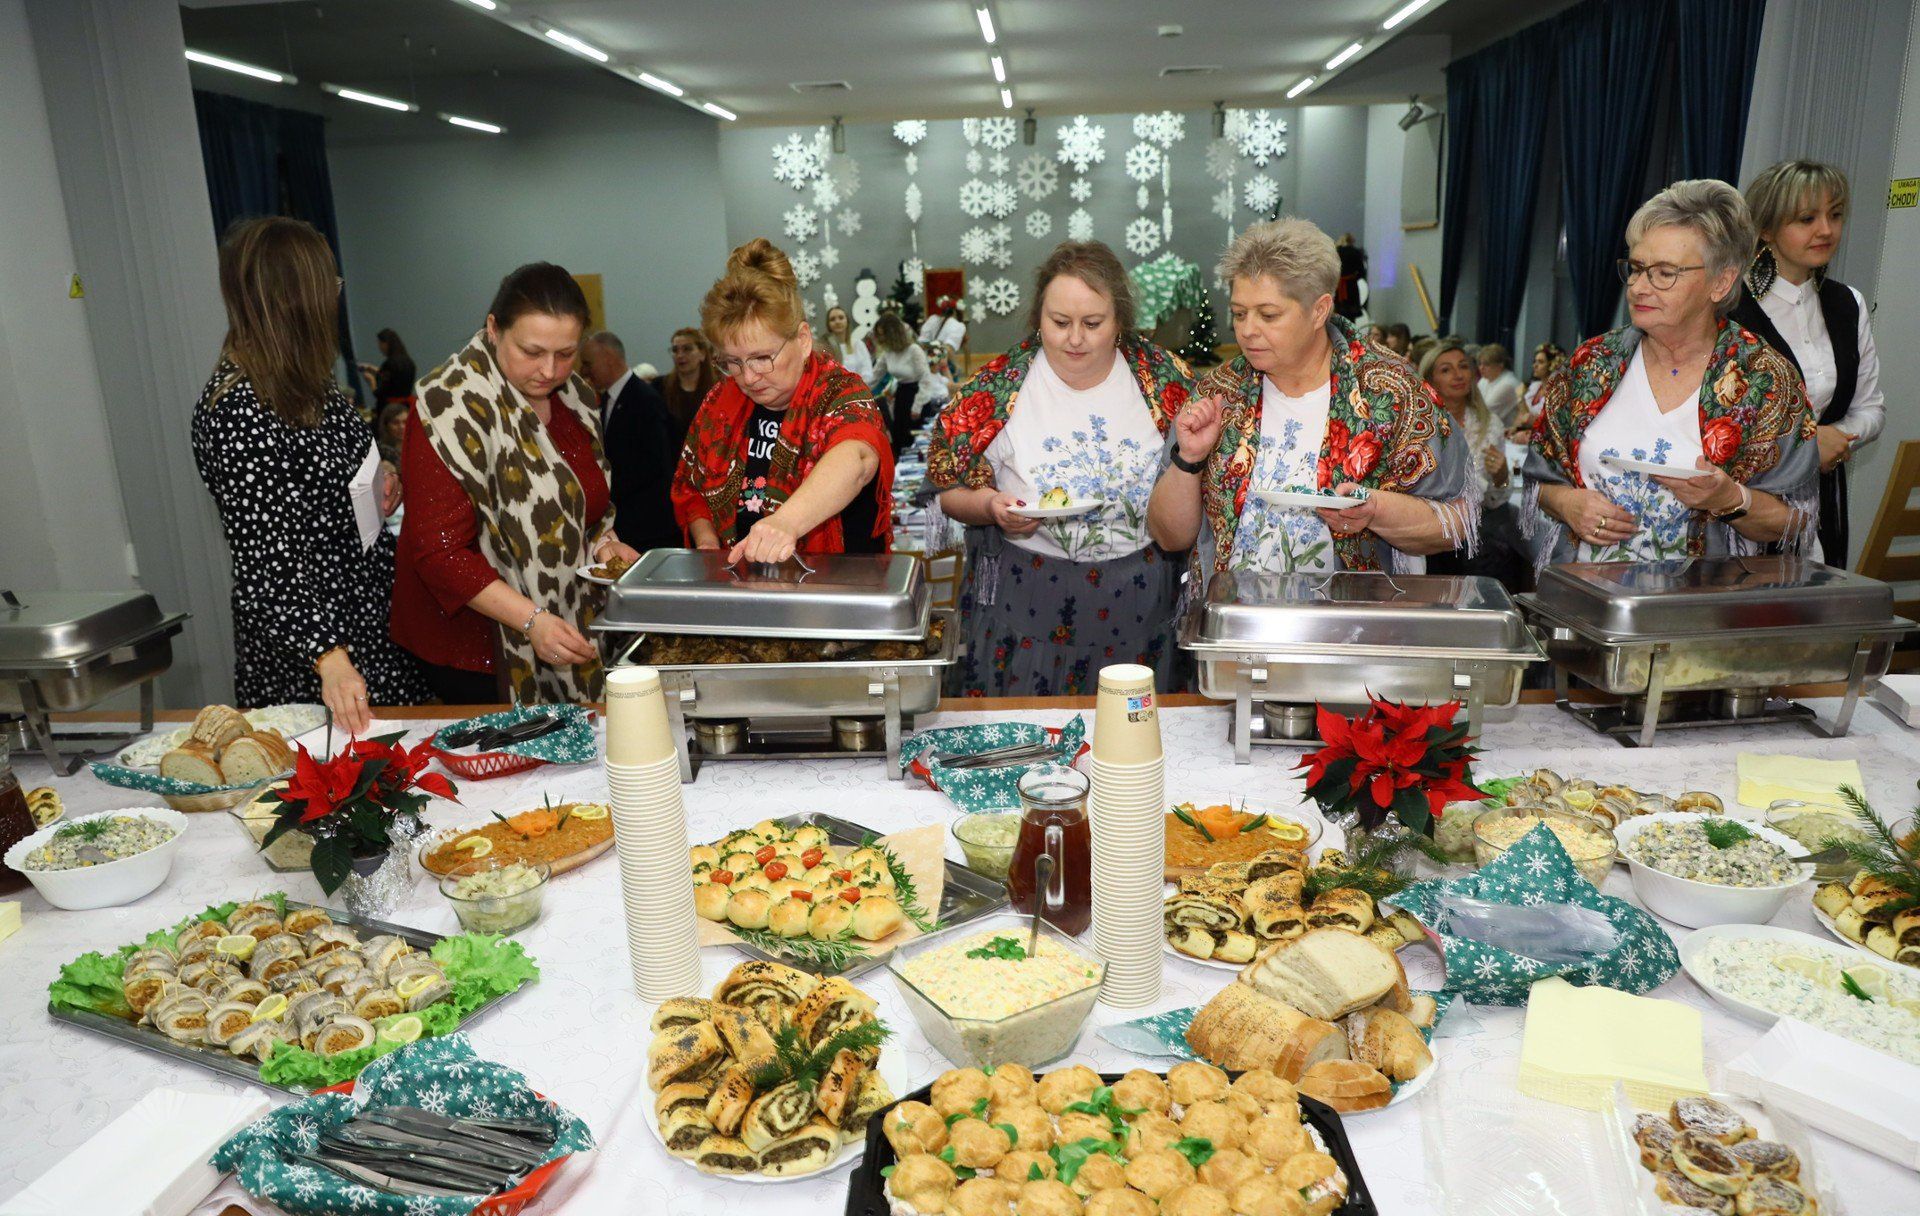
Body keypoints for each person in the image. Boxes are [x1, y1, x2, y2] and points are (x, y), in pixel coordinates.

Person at [930, 240, 1194, 696]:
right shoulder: (997, 389)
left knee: (1127, 747)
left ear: (1120, 322)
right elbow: (949, 491)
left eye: (1093, 323)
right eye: (1059, 323)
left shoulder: (1165, 382)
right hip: (1028, 600)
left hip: (1138, 604)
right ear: (1038, 319)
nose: (1075, 338)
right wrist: (991, 506)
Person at [191, 217, 425, 731]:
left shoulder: (306, 384)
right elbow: (266, 564)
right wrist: (331, 660)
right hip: (315, 655)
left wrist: (380, 471)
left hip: (367, 622)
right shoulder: (240, 412)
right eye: (330, 287)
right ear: (292, 302)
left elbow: (338, 465)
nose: (335, 300)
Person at [1147, 218, 1472, 580]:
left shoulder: (1389, 390)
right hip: (1234, 622)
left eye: (1268, 315)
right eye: (1239, 313)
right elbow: (1168, 537)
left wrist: (1376, 510)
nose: (1247, 330)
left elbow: (1458, 522)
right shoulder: (1220, 394)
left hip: (1352, 626)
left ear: (1319, 310)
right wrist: (1188, 460)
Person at [1523, 180, 1818, 566]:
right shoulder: (1592, 363)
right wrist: (1567, 503)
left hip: (1704, 611)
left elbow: (1795, 522)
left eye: (1664, 273)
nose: (1638, 287)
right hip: (1588, 599)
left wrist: (1731, 500)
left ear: (1721, 282)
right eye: (1637, 268)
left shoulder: (1763, 379)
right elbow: (1538, 481)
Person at [393, 263, 637, 704]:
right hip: (475, 649)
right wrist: (531, 619)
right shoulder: (447, 404)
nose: (549, 370)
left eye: (565, 354)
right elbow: (438, 551)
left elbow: (585, 503)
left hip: (568, 622)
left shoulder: (576, 398)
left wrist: (605, 544)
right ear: (493, 329)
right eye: (532, 351)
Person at [672, 238, 893, 563]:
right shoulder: (722, 400)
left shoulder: (839, 392)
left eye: (762, 358)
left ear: (802, 340)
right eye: (732, 362)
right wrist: (707, 543)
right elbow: (694, 487)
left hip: (837, 592)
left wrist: (786, 522)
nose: (747, 377)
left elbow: (856, 459)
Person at [1733, 160, 1884, 565]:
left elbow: (1871, 409)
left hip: (1821, 507)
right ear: (1765, 229)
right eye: (1806, 218)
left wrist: (1838, 436)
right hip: (1741, 514)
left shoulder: (1846, 303)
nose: (1826, 230)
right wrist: (1803, 448)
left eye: (1835, 215)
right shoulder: (1730, 306)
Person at [1421, 341, 1528, 590]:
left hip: (1474, 529)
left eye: (1463, 367)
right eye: (1446, 370)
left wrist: (1501, 474)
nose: (1458, 375)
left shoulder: (1490, 424)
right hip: (1428, 526)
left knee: (1495, 552)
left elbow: (1495, 498)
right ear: (1431, 380)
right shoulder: (1420, 424)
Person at [581, 329, 681, 554]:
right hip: (627, 523)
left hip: (648, 527)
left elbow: (658, 465)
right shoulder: (608, 399)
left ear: (608, 358)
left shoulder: (644, 400)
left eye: (588, 363)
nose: (584, 370)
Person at [871, 312, 931, 455]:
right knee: (900, 438)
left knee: (914, 440)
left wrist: (917, 406)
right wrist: (856, 393)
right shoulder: (888, 353)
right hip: (902, 396)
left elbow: (925, 379)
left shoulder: (914, 350)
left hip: (917, 396)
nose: (881, 339)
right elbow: (874, 377)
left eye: (883, 334)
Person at [655, 326, 717, 447]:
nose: (680, 355)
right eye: (675, 350)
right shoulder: (659, 387)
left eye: (687, 349)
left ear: (702, 354)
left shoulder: (717, 389)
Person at [358, 328, 417, 408]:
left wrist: (371, 381)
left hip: (390, 409)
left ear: (386, 344)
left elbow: (380, 393)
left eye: (380, 344)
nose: (379, 348)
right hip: (406, 407)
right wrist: (371, 368)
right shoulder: (409, 362)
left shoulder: (389, 364)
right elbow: (395, 376)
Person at [819, 304, 875, 382]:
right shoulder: (824, 350)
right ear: (828, 324)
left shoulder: (858, 344)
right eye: (832, 319)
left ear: (847, 321)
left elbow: (868, 372)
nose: (837, 321)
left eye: (841, 318)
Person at [1519, 341, 1566, 432]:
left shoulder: (1557, 392)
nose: (1535, 366)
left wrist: (1521, 399)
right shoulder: (1535, 386)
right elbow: (1521, 418)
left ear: (1552, 365)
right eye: (1535, 361)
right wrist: (1514, 429)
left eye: (1540, 362)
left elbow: (1532, 421)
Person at [1475, 342, 1524, 428]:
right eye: (1480, 364)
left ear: (1500, 365)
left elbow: (1484, 414)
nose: (1481, 368)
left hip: (1506, 434)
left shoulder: (1508, 384)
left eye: (1486, 364)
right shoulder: (1484, 380)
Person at [919, 296, 969, 379]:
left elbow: (921, 342)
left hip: (923, 361)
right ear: (955, 312)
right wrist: (955, 365)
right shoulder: (959, 326)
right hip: (941, 364)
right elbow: (948, 349)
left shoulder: (932, 319)